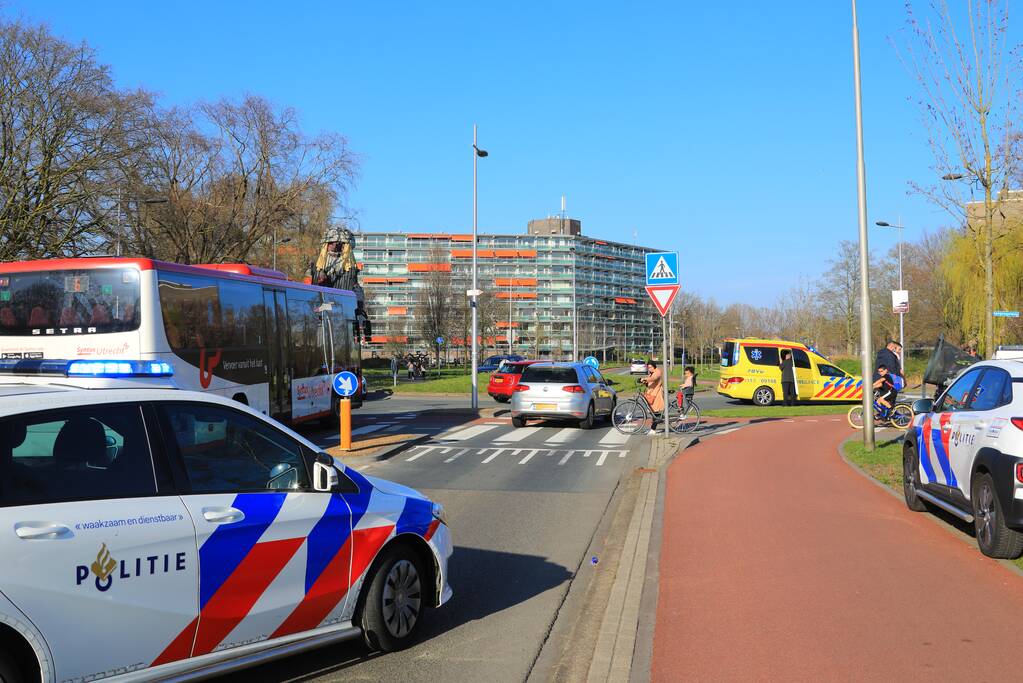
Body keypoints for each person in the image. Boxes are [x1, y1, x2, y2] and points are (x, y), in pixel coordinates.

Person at [874, 340, 903, 405]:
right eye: (894, 348)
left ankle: (884, 413)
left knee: (882, 398)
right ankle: (889, 412)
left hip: (879, 378)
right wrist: (897, 379)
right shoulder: (890, 355)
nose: (894, 349)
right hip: (887, 381)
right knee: (889, 398)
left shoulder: (881, 352)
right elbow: (892, 368)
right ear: (891, 346)